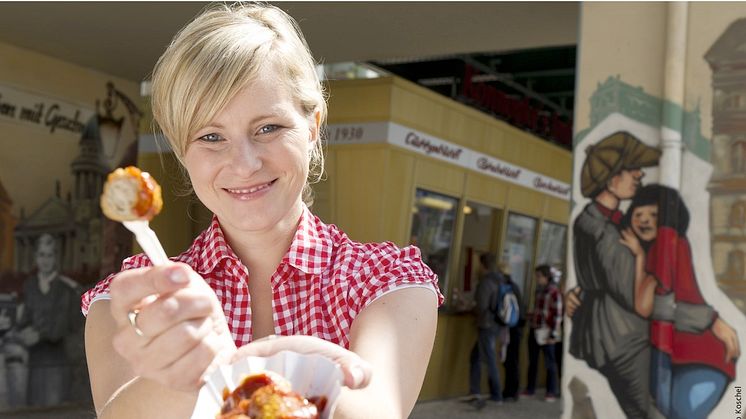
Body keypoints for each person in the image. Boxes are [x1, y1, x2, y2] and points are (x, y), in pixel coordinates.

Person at [80, 3, 442, 418]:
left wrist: (239, 364)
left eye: (268, 128)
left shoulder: (385, 282)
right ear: (183, 153)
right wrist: (191, 373)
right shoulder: (135, 297)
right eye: (211, 136)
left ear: (312, 126)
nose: (244, 163)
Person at [619, 184, 739, 419]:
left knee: (681, 413)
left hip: (702, 357)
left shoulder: (671, 243)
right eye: (638, 215)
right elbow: (646, 306)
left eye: (653, 215)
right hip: (677, 355)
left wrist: (712, 320)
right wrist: (641, 257)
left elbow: (654, 306)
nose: (644, 221)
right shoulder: (656, 249)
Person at [567, 131, 662, 418]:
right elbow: (633, 296)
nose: (639, 173)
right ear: (610, 179)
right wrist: (644, 260)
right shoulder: (605, 232)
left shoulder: (592, 219)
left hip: (606, 334)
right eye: (630, 168)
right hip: (622, 338)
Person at [17, 233, 83, 407]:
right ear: (36, 257)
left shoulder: (65, 289)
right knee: (33, 410)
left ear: (56, 258)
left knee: (53, 411)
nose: (45, 260)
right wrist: (23, 331)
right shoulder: (29, 285)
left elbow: (62, 325)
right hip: (35, 359)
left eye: (49, 255)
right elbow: (25, 318)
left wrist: (39, 335)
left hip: (57, 360)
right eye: (41, 255)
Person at [465, 253, 504, 405]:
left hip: (486, 324)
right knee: (476, 356)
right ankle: (475, 391)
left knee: (489, 358)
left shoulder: (486, 282)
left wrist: (471, 307)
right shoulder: (500, 279)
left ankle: (496, 394)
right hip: (496, 323)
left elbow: (481, 306)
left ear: (483, 265)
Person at [521, 264, 562, 402]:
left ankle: (551, 391)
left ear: (546, 276)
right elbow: (540, 310)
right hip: (535, 328)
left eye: (539, 276)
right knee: (533, 361)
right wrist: (531, 316)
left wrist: (553, 335)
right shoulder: (538, 291)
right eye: (536, 276)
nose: (537, 279)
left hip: (546, 331)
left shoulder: (554, 292)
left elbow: (557, 314)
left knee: (549, 363)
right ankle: (530, 389)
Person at [499, 266, 525, 402]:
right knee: (512, 360)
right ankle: (512, 391)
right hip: (516, 329)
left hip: (511, 329)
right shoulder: (515, 287)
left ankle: (510, 391)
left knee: (510, 361)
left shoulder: (506, 289)